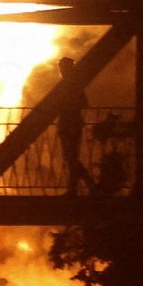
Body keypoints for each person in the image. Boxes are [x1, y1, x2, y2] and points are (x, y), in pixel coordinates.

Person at [56, 56, 91, 195]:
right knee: (71, 157)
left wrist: (68, 106)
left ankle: (80, 186)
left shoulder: (70, 85)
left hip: (70, 125)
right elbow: (84, 103)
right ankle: (78, 187)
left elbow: (83, 102)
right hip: (71, 124)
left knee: (71, 157)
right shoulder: (73, 84)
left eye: (63, 67)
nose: (61, 70)